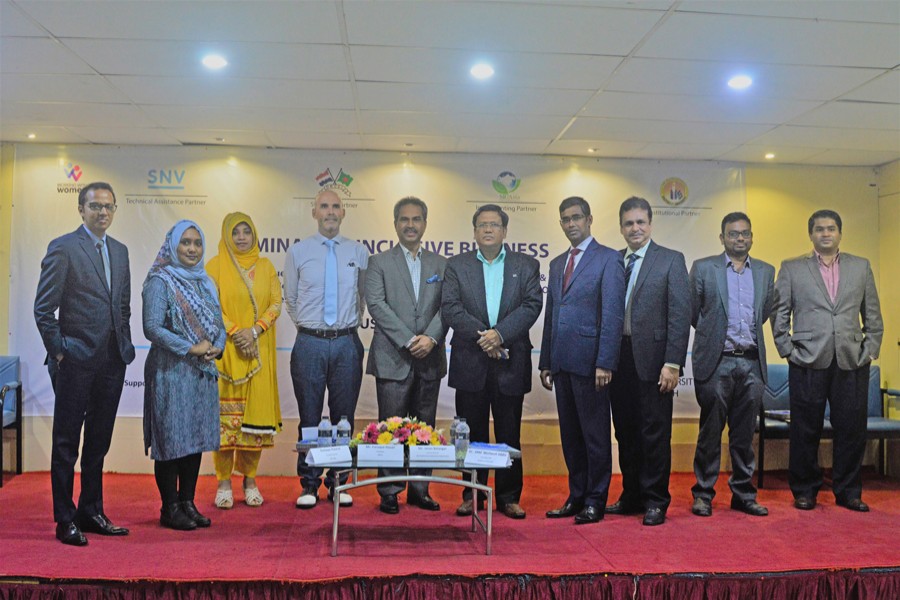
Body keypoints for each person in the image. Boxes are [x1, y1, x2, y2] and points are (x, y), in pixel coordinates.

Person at [34, 181, 136, 546]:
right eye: (95, 206)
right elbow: (43, 309)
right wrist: (60, 352)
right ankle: (64, 520)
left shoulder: (120, 251)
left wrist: (122, 343)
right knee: (66, 444)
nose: (103, 212)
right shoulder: (63, 248)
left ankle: (90, 510)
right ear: (81, 209)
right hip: (74, 361)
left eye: (108, 206)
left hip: (112, 360)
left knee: (98, 443)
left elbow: (121, 306)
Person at [772, 210, 882, 512]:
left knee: (851, 429)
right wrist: (787, 349)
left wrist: (870, 349)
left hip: (852, 360)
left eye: (831, 229)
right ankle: (805, 490)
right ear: (811, 234)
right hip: (807, 358)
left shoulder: (861, 267)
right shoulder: (792, 268)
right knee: (805, 428)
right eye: (819, 229)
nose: (825, 234)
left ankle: (849, 491)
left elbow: (872, 313)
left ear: (840, 233)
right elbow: (779, 314)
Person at [442, 204, 542, 520]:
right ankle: (472, 495)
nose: (488, 229)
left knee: (509, 433)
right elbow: (451, 308)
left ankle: (509, 497)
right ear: (474, 231)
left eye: (494, 225)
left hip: (511, 361)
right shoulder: (456, 266)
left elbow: (531, 305)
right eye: (482, 225)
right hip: (470, 360)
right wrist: (484, 337)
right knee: (470, 434)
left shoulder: (525, 265)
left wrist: (500, 334)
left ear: (504, 231)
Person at [606, 196, 691, 526]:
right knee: (625, 432)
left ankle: (656, 500)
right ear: (621, 227)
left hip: (655, 362)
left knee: (655, 433)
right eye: (628, 223)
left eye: (640, 222)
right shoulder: (612, 261)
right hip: (618, 360)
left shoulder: (670, 260)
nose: (635, 228)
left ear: (650, 224)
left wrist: (673, 362)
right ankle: (631, 496)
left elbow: (680, 316)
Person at [541, 196, 625, 525]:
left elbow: (613, 315)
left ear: (589, 220)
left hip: (593, 365)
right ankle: (576, 497)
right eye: (565, 219)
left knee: (595, 436)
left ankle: (595, 499)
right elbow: (552, 316)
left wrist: (606, 362)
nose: (571, 223)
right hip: (562, 362)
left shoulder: (609, 259)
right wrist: (546, 360)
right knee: (571, 437)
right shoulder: (557, 262)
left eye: (577, 217)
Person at [284, 188, 369, 509]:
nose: (330, 211)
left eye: (336, 206)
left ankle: (339, 482)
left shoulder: (358, 252)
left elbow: (362, 298)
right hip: (309, 343)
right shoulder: (299, 252)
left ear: (344, 212)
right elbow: (290, 299)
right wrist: (312, 328)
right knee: (309, 416)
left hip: (347, 343)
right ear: (314, 212)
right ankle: (309, 483)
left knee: (343, 417)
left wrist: (342, 327)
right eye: (324, 206)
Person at [689, 212, 775, 518]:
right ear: (722, 238)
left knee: (743, 435)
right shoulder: (704, 268)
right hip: (717, 362)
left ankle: (743, 494)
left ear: (752, 237)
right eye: (734, 234)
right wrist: (714, 336)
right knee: (710, 432)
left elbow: (763, 313)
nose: (740, 239)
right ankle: (703, 494)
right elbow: (693, 312)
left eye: (745, 234)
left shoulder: (766, 271)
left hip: (751, 363)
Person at [366, 197, 447, 514]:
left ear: (425, 223)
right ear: (395, 223)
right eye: (404, 219)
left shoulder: (442, 265)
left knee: (424, 428)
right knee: (390, 428)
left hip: (430, 357)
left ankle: (419, 490)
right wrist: (410, 339)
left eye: (416, 219)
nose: (410, 225)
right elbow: (377, 305)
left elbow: (447, 307)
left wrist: (431, 337)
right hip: (392, 358)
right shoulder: (378, 263)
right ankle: (389, 490)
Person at [143, 220, 226, 530]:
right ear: (172, 247)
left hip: (202, 371)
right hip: (171, 371)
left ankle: (188, 502)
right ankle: (169, 507)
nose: (192, 249)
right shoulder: (160, 281)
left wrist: (216, 347)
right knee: (171, 439)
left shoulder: (205, 281)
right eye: (185, 243)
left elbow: (219, 324)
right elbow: (152, 327)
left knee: (194, 438)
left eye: (197, 243)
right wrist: (191, 348)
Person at [206, 213, 282, 509]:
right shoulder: (214, 266)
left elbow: (276, 304)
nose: (240, 237)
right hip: (226, 354)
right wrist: (237, 333)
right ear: (226, 235)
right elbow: (209, 305)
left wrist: (254, 331)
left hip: (258, 352)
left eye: (246, 231)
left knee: (253, 426)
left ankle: (250, 480)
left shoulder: (266, 267)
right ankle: (223, 482)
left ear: (254, 235)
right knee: (224, 423)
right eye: (234, 232)